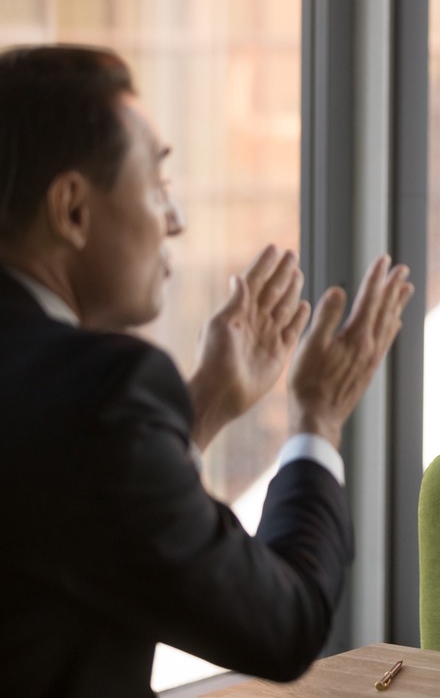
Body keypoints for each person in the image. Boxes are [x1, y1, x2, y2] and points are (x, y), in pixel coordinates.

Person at [0, 44, 415, 696]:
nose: (176, 221)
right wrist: (317, 420)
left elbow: (65, 497)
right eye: (157, 187)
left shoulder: (67, 403)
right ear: (73, 209)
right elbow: (282, 625)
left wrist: (209, 403)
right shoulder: (104, 394)